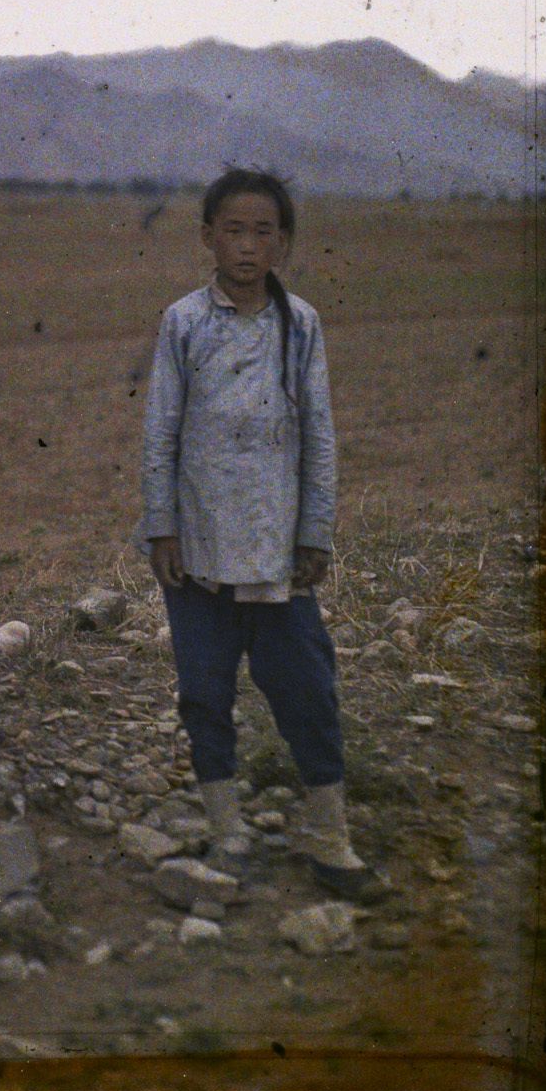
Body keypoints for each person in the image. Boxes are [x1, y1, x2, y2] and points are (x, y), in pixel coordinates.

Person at [139, 167, 371, 897]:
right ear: (208, 238)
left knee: (305, 685)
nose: (246, 246)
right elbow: (161, 433)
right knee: (204, 691)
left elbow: (319, 435)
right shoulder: (183, 322)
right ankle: (227, 829)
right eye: (232, 230)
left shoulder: (299, 323)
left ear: (283, 243)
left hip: (275, 548)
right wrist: (162, 528)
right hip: (200, 547)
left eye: (261, 231)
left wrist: (315, 533)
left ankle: (330, 837)